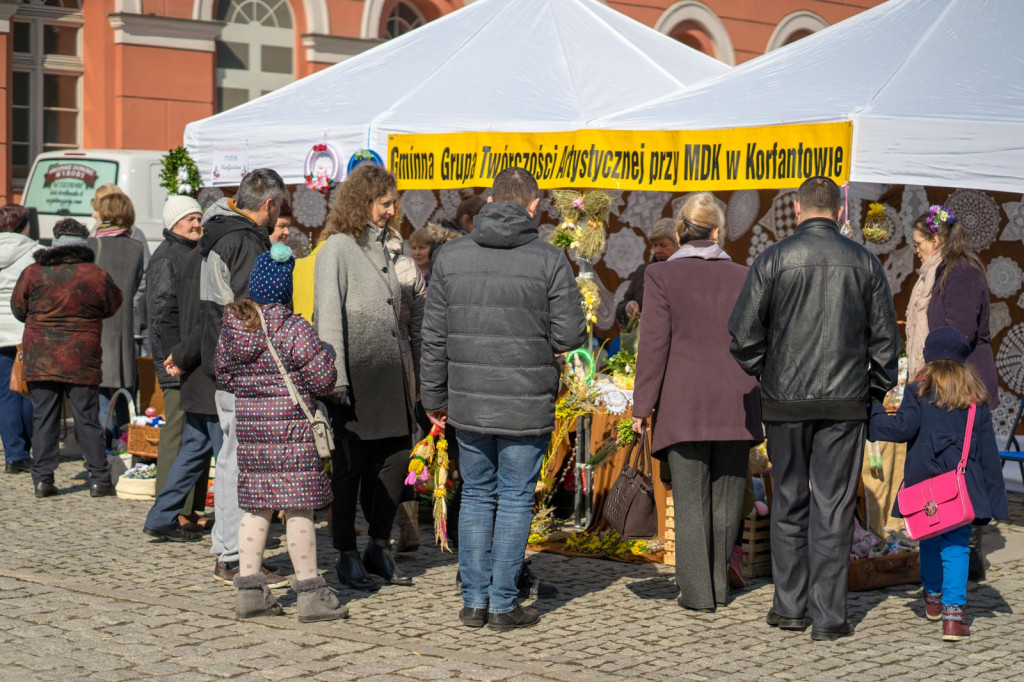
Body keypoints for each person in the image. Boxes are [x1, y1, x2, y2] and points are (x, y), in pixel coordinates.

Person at [728, 176, 899, 641]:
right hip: (845, 402)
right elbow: (887, 344)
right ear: (841, 213)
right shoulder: (865, 263)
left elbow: (742, 336)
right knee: (834, 505)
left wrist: (769, 373)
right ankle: (827, 617)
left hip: (785, 401)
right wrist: (874, 393)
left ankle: (789, 608)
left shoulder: (774, 258)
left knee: (788, 501)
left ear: (798, 211)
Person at [420, 167, 586, 631]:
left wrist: (432, 397)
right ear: (534, 206)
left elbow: (432, 338)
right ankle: (502, 604)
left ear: (491, 201)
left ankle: (474, 600)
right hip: (525, 400)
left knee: (476, 494)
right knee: (513, 498)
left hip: (468, 402)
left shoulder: (450, 257)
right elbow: (570, 335)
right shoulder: (550, 260)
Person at [632, 193, 762, 613]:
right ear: (718, 232)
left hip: (684, 402)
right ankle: (717, 588)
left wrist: (641, 407)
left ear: (679, 232)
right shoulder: (745, 275)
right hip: (737, 399)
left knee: (689, 499)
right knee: (728, 499)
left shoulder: (660, 276)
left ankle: (698, 593)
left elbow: (653, 347)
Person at [216, 244, 346, 622]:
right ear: (285, 289)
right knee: (298, 509)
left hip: (255, 434)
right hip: (291, 433)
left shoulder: (235, 326)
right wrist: (325, 353)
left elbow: (223, 376)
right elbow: (324, 379)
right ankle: (310, 594)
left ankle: (251, 592)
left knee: (256, 509)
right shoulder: (292, 327)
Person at [868, 326, 1008, 642]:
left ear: (928, 360)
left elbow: (901, 429)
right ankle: (954, 616)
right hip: (961, 489)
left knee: (929, 539)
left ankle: (932, 598)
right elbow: (987, 453)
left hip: (923, 487)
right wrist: (994, 503)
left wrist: (874, 408)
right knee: (956, 546)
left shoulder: (918, 392)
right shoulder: (975, 399)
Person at [313, 164, 415, 590]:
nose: (392, 211)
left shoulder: (389, 245)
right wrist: (334, 378)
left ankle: (377, 543)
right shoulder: (337, 248)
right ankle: (346, 554)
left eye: (394, 203)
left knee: (396, 460)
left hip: (389, 373)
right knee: (350, 469)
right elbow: (328, 314)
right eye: (384, 203)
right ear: (363, 202)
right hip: (353, 374)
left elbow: (402, 313)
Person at [198, 169, 283, 585]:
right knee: (236, 461)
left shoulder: (221, 232)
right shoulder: (244, 241)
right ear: (268, 204)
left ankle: (228, 549)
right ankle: (232, 555)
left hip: (223, 359)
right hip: (240, 364)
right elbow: (253, 312)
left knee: (231, 456)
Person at [908, 205, 998, 580]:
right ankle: (950, 553)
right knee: (945, 473)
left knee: (962, 472)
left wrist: (930, 376)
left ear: (936, 239)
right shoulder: (939, 271)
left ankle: (963, 557)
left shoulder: (959, 272)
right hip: (943, 385)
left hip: (959, 388)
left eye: (918, 242)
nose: (914, 250)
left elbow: (957, 334)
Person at [11, 218, 122, 498]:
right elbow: (112, 304)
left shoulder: (34, 273)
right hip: (81, 357)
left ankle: (43, 480)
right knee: (87, 418)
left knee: (43, 418)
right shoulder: (96, 274)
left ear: (55, 241)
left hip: (41, 356)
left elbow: (18, 308)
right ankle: (99, 479)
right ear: (84, 244)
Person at [147, 195, 209, 532]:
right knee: (179, 432)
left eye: (199, 218)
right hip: (176, 362)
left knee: (195, 432)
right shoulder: (168, 257)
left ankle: (189, 509)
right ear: (174, 225)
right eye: (190, 219)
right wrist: (175, 358)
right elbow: (162, 313)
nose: (197, 223)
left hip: (188, 357)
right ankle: (171, 511)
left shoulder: (188, 252)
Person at [90, 192, 145, 447]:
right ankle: (125, 444)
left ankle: (103, 448)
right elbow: (135, 286)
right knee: (125, 391)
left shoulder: (93, 245)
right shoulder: (135, 247)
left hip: (97, 326)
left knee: (102, 393)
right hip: (124, 327)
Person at [0, 204, 42, 474]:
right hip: (25, 330)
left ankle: (14, 455)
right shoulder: (35, 253)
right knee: (28, 391)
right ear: (24, 225)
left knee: (5, 393)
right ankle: (28, 447)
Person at [615, 218, 680, 326]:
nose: (657, 250)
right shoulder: (643, 271)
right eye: (655, 245)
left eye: (663, 245)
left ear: (678, 245)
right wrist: (629, 307)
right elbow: (622, 306)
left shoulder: (686, 273)